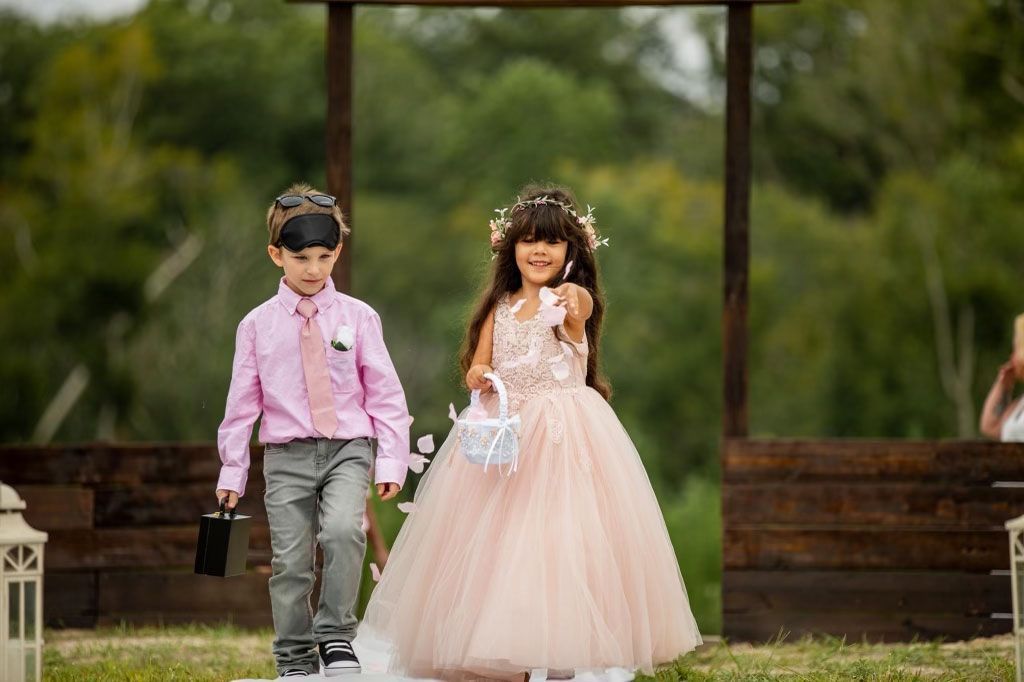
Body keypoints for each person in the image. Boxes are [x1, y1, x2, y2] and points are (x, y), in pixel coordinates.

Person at [360, 184, 702, 680]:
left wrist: (572, 296)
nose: (539, 251)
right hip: (503, 441)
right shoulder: (496, 309)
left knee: (555, 542)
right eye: (528, 241)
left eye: (553, 242)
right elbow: (478, 366)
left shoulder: (569, 303)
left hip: (563, 439)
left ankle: (559, 651)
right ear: (510, 247)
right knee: (497, 550)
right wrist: (479, 375)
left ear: (571, 251)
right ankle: (507, 655)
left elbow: (581, 310)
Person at [214, 184, 411, 678]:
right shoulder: (256, 326)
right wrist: (232, 473)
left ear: (337, 253)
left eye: (325, 256)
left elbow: (385, 392)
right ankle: (295, 656)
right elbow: (241, 406)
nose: (313, 269)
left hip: (348, 447)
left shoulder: (359, 317)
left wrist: (390, 459)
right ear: (275, 254)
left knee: (345, 531)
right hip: (286, 456)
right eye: (301, 257)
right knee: (292, 561)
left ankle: (336, 636)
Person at [980, 313, 1024, 441]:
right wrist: (1003, 386)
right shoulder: (1020, 406)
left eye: (1016, 349)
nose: (1012, 356)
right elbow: (990, 427)